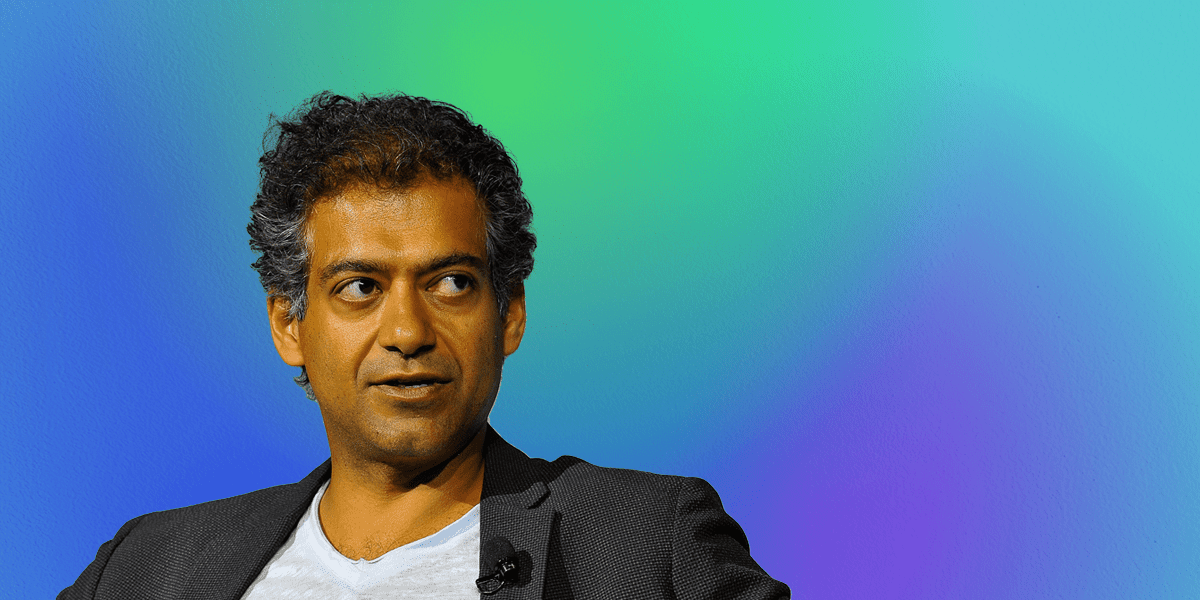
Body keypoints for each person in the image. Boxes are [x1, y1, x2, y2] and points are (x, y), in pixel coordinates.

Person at [59, 92, 790, 599]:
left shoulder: (646, 544)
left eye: (451, 283)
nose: (408, 332)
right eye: (359, 287)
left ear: (509, 315)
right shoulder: (144, 569)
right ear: (289, 325)